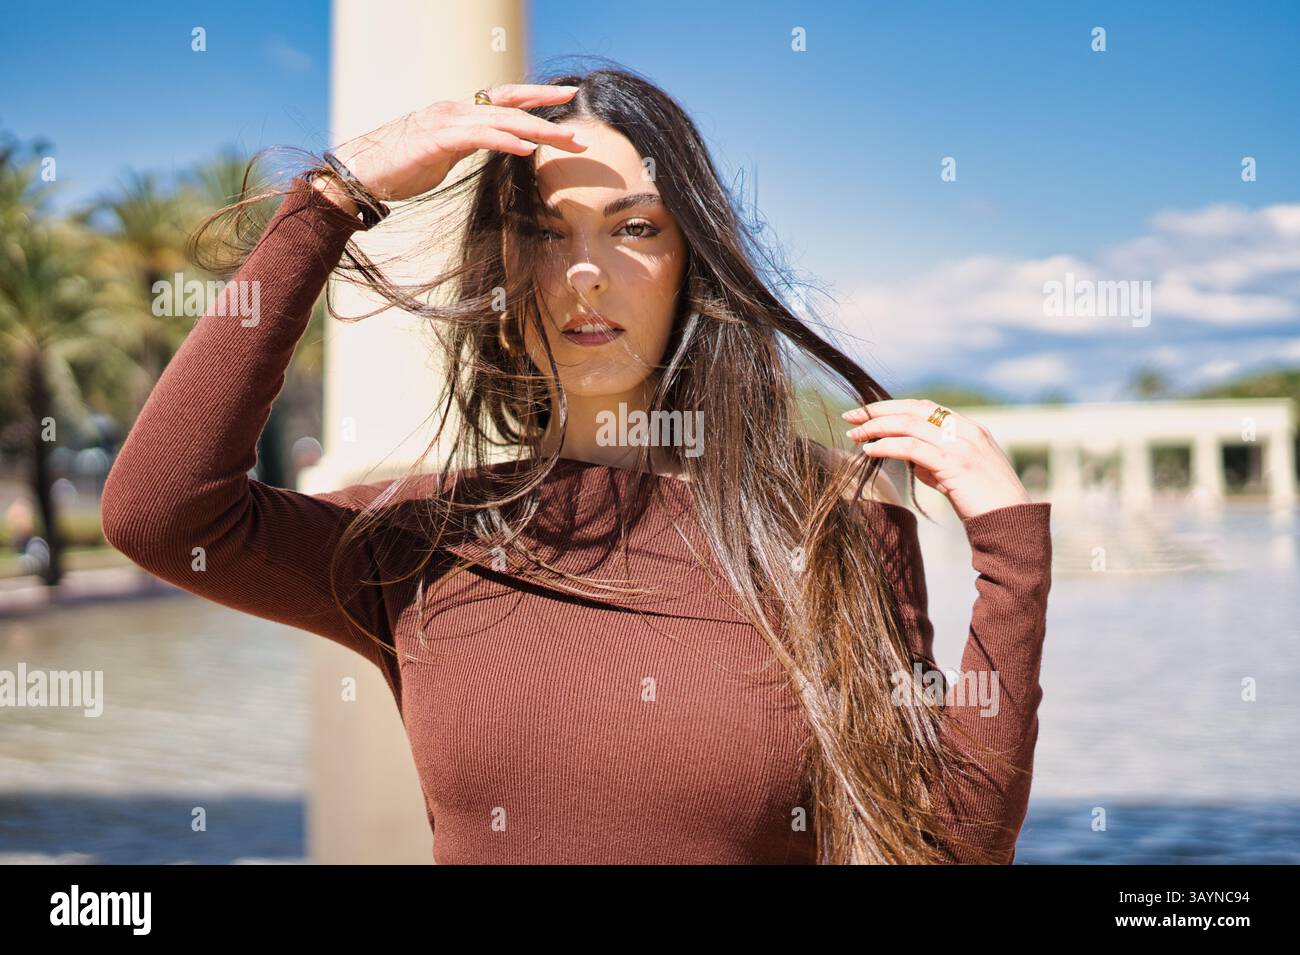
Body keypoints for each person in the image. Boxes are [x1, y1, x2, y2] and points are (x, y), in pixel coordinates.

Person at [101, 67, 1053, 864]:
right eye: (544, 232)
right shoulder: (420, 538)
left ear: (694, 263)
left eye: (635, 229)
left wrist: (1010, 560)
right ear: (500, 273)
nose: (584, 273)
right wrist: (333, 199)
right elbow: (161, 512)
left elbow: (950, 847)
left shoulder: (825, 519)